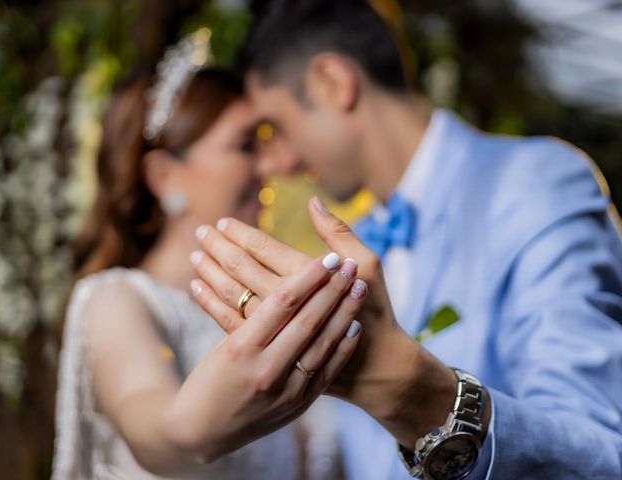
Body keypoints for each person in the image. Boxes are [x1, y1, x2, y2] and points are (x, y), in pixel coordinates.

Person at [187, 1, 622, 479]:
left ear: (334, 82)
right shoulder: (347, 256)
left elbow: (600, 457)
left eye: (279, 129)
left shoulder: (535, 184)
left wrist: (411, 390)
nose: (278, 165)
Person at [52, 32, 367, 479]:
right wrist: (188, 432)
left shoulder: (276, 305)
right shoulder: (116, 300)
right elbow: (147, 417)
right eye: (245, 145)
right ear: (165, 176)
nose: (272, 165)